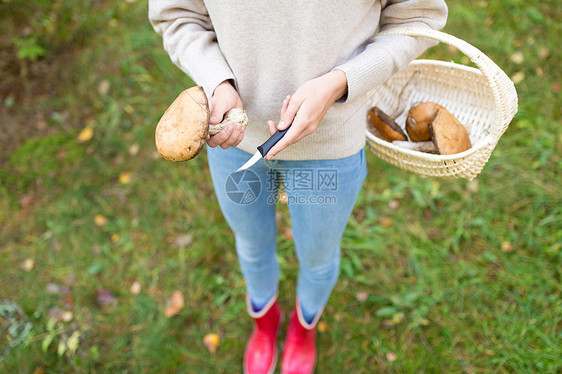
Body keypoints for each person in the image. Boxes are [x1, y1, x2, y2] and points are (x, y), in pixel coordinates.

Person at [149, 1, 448, 373]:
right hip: (235, 143)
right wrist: (217, 80)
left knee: (318, 258)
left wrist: (341, 81)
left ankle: (303, 330)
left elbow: (420, 17)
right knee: (252, 245)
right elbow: (176, 14)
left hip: (329, 145)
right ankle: (265, 323)